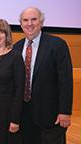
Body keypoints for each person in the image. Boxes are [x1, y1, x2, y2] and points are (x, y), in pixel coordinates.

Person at [13, 7, 73, 144]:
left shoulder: (57, 45)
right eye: (25, 20)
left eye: (34, 19)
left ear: (41, 22)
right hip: (24, 116)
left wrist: (65, 111)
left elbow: (65, 81)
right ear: (21, 24)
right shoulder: (16, 47)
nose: (29, 24)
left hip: (51, 116)